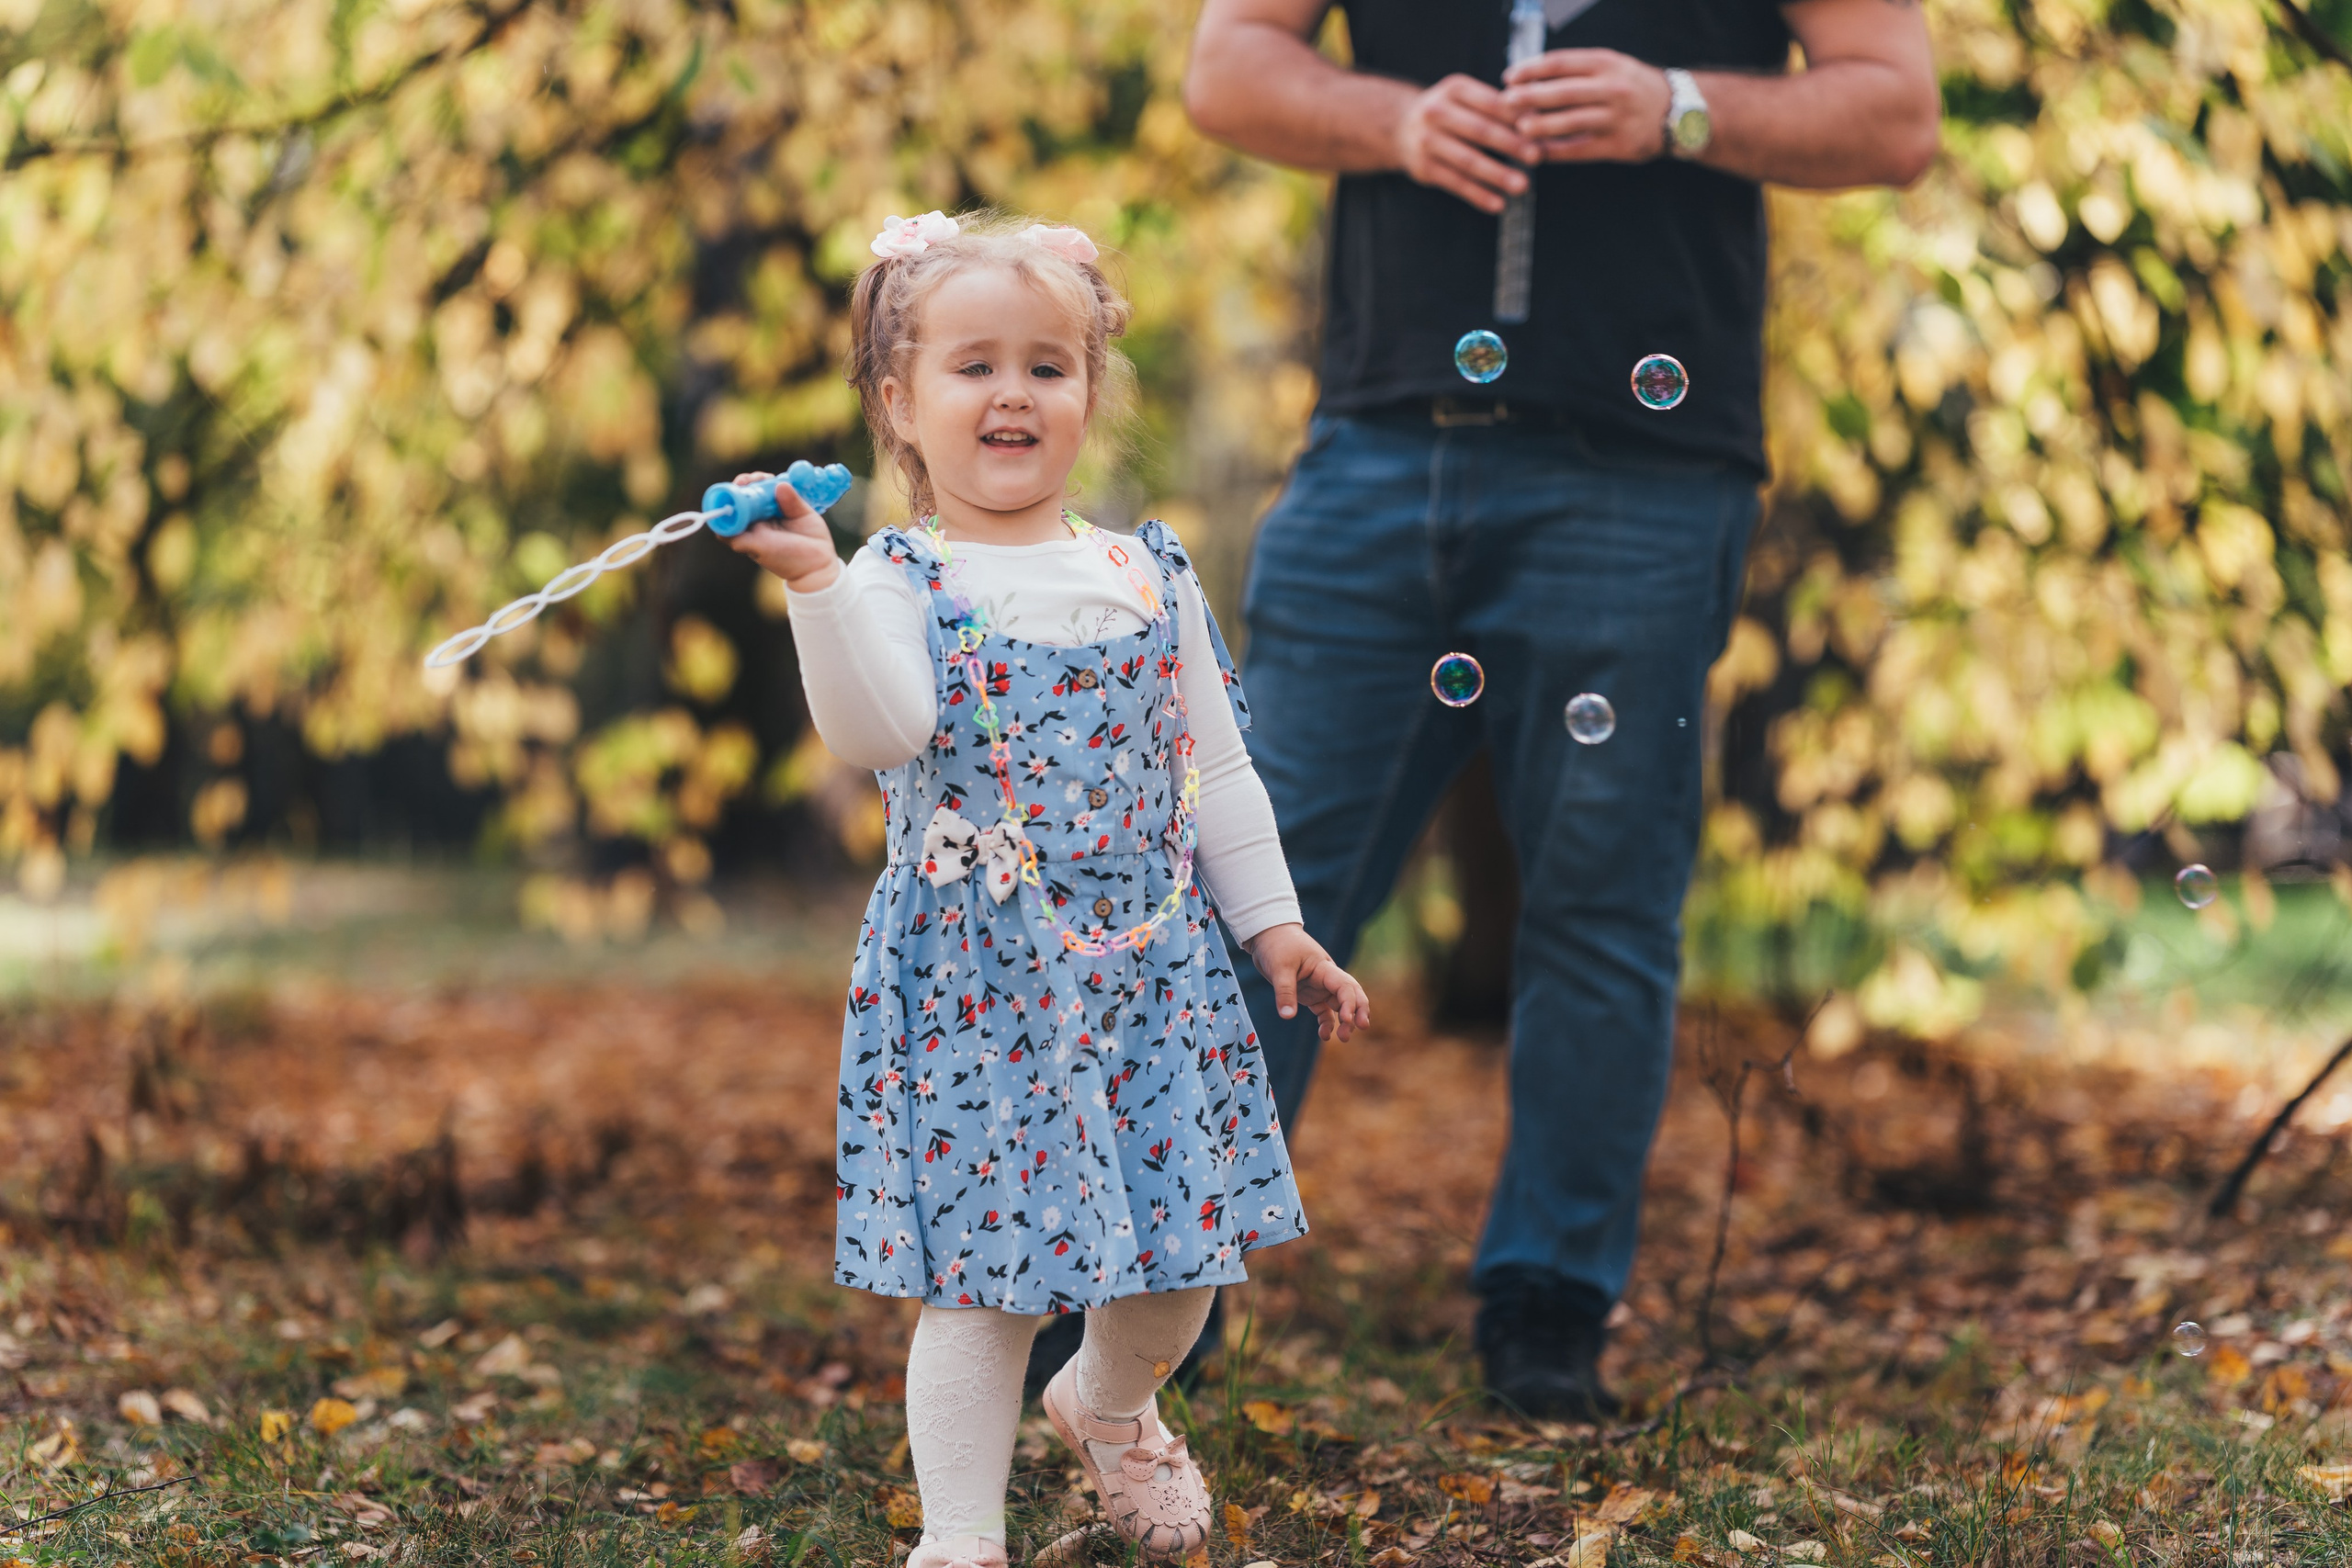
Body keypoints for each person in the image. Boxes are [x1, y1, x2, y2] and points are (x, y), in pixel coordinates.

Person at [1180, 0, 1939, 1420]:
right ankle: (1161, 1287)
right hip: (1376, 449)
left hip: (1647, 470)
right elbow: (1227, 68)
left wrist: (1680, 108)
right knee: (1249, 880)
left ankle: (1550, 1307)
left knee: (1601, 908)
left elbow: (1897, 114)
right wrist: (1393, 122)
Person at [725, 209, 1372, 1568]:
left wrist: (1277, 926)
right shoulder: (900, 578)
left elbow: (1222, 772)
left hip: (1152, 969)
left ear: (1089, 393)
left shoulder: (1148, 573)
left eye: (1046, 365)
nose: (1011, 392)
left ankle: (1111, 1403)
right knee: (985, 1287)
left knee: (1184, 1264)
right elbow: (878, 730)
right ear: (899, 404)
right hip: (979, 984)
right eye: (973, 367)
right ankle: (959, 1540)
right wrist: (813, 586)